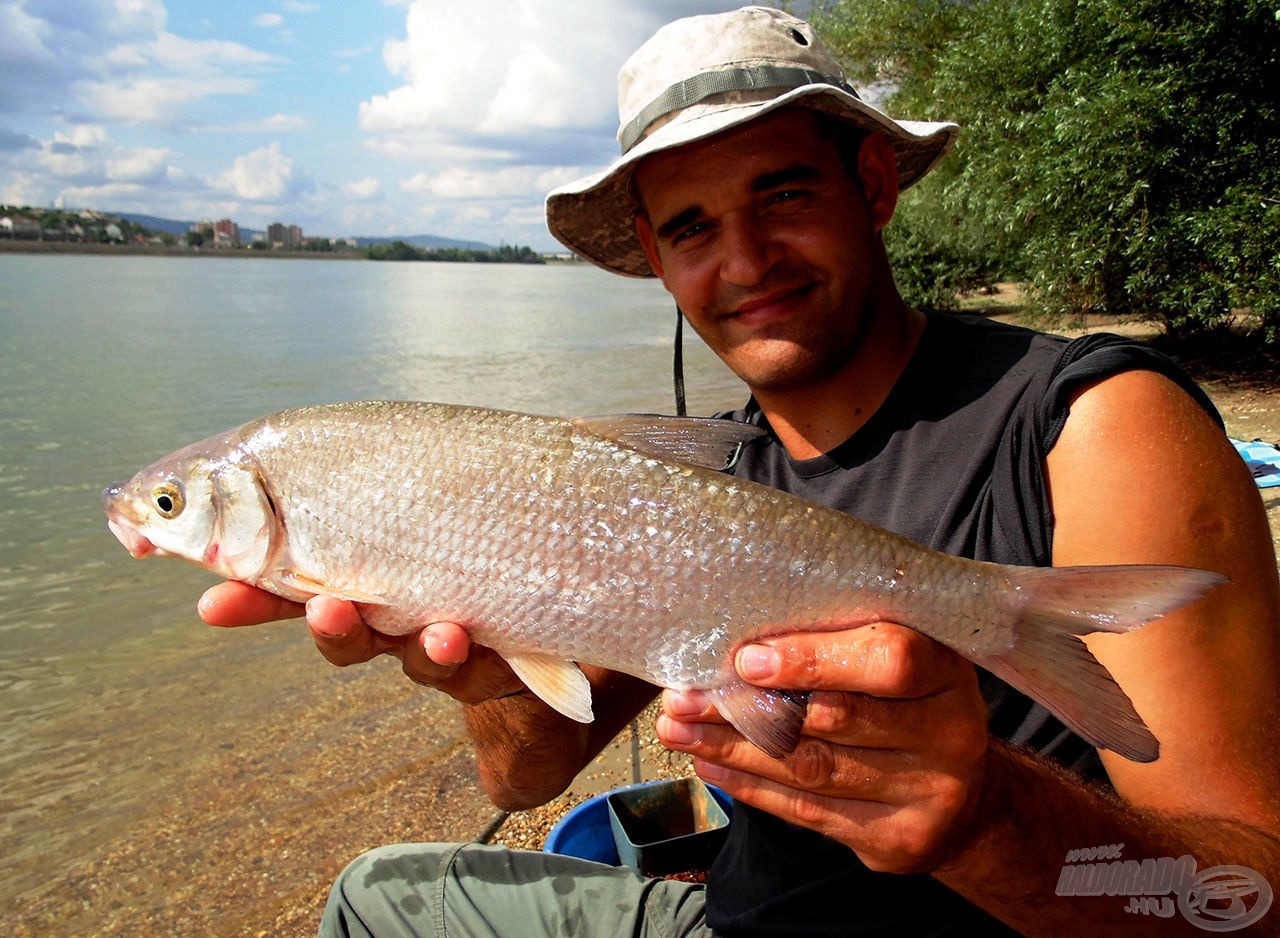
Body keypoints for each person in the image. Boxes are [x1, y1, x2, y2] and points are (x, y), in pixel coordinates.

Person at [200, 7, 1280, 935]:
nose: (744, 260)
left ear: (869, 182)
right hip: (731, 911)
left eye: (781, 195)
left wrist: (986, 815)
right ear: (655, 256)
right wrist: (484, 654)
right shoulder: (687, 489)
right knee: (376, 888)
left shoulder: (1087, 421)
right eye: (690, 227)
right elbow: (522, 777)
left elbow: (1248, 898)